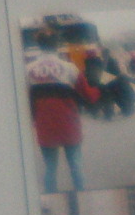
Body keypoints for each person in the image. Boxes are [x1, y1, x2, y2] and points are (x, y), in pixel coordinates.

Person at [28, 28, 97, 193]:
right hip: (69, 124)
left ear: (39, 45)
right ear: (57, 45)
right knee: (75, 165)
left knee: (50, 168)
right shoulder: (70, 68)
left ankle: (51, 199)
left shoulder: (28, 69)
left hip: (44, 125)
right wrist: (99, 90)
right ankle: (82, 196)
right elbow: (89, 95)